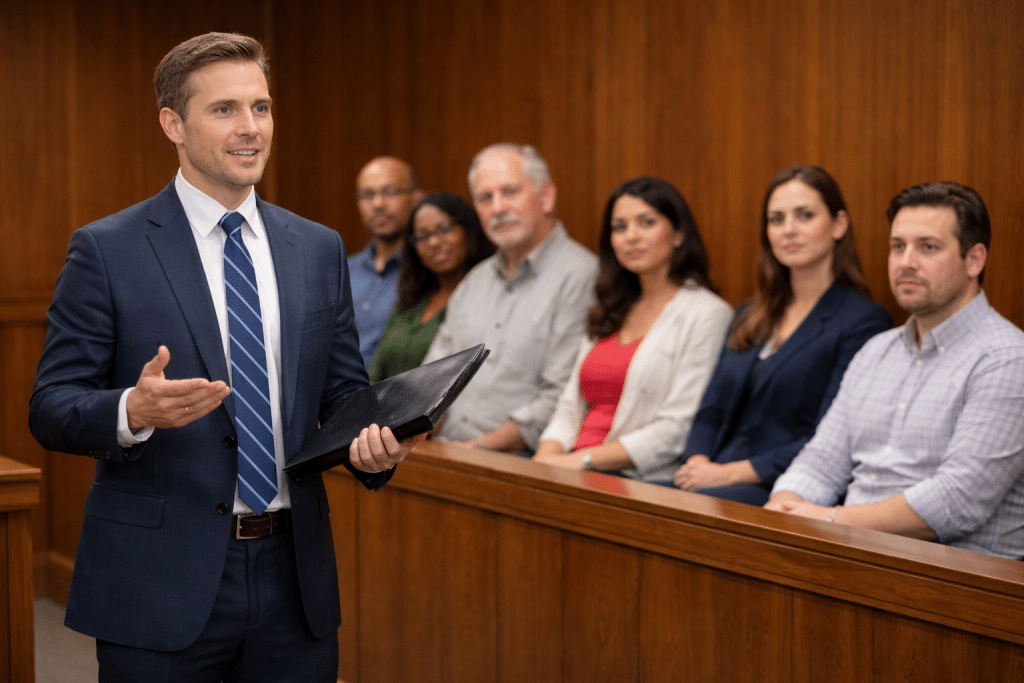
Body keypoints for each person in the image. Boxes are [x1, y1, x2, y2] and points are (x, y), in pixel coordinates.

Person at [28, 32, 415, 682]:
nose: (250, 129)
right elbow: (51, 405)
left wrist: (376, 443)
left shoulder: (318, 248)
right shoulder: (106, 248)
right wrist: (132, 409)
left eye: (260, 108)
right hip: (157, 582)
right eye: (225, 110)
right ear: (172, 123)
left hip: (295, 583)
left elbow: (345, 393)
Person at [765, 181, 1024, 559]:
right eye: (898, 246)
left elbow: (957, 501)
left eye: (928, 247)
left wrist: (830, 520)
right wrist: (785, 505)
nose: (906, 262)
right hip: (847, 553)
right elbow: (821, 459)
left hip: (954, 578)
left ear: (975, 260)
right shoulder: (876, 351)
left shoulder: (1007, 358)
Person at [673, 166, 891, 504]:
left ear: (838, 224)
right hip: (709, 475)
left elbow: (830, 437)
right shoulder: (748, 313)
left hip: (779, 488)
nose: (788, 230)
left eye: (804, 215)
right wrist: (698, 463)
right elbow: (711, 408)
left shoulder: (863, 322)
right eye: (776, 219)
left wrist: (728, 474)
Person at [533, 177, 733, 482]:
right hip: (569, 468)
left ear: (678, 234)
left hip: (636, 479)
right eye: (620, 227)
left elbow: (677, 428)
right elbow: (568, 405)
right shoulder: (608, 306)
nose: (631, 237)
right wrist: (546, 458)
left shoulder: (707, 314)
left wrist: (581, 461)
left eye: (647, 222)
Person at [422, 143, 598, 452]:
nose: (498, 207)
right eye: (485, 198)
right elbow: (434, 375)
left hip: (520, 466)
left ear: (546, 196)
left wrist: (478, 448)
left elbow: (560, 395)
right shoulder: (475, 280)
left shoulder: (581, 275)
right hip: (446, 455)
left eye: (510, 192)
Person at [368, 191, 494, 381]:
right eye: (423, 236)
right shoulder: (411, 299)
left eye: (444, 229)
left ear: (468, 230)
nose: (434, 242)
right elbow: (376, 372)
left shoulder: (489, 297)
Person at [350, 156, 423, 367]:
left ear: (417, 198)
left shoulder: (428, 273)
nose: (378, 204)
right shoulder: (342, 271)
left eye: (390, 192)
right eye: (367, 195)